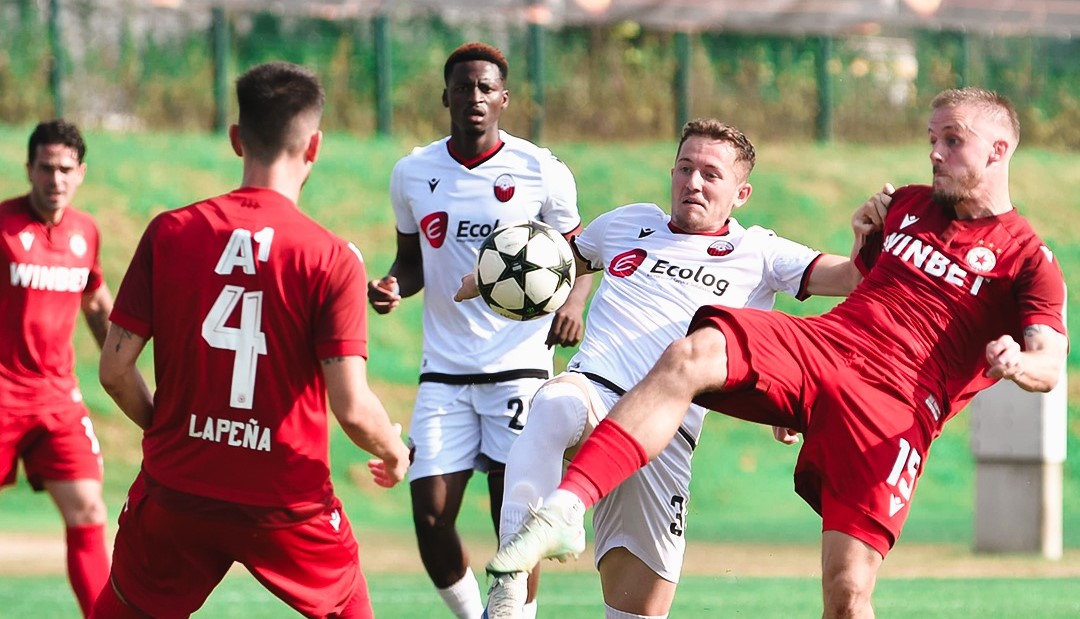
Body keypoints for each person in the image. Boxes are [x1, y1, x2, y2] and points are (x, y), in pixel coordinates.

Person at [488, 86, 1069, 618]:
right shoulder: (908, 205)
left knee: (848, 594)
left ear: (998, 150)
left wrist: (1018, 363)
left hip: (895, 408)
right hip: (829, 347)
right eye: (932, 139)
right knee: (690, 354)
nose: (935, 153)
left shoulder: (1028, 260)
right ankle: (565, 510)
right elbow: (865, 275)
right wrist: (862, 238)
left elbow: (1049, 363)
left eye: (952, 140)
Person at [465, 119, 885, 619]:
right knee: (553, 405)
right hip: (594, 391)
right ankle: (509, 593)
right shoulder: (627, 223)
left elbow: (853, 277)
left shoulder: (760, 252)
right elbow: (555, 260)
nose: (693, 183)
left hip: (664, 439)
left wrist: (872, 235)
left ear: (742, 193)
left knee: (636, 612)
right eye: (685, 168)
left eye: (711, 174)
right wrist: (489, 276)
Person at [89, 61, 411, 619]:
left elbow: (114, 371)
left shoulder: (170, 231)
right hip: (287, 504)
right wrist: (393, 450)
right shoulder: (331, 257)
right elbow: (354, 409)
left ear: (237, 138)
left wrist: (174, 429)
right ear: (314, 147)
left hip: (178, 489)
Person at [367, 41, 593, 618]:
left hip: (519, 367)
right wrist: (392, 286)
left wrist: (573, 304)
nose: (474, 96)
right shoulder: (413, 173)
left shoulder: (541, 170)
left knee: (511, 517)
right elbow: (411, 262)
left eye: (486, 87)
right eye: (463, 87)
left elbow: (582, 253)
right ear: (446, 97)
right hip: (443, 370)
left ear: (504, 98)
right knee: (430, 515)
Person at [0, 120, 112, 617]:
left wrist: (122, 364)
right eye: (46, 168)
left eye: (65, 169)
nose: (55, 179)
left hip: (57, 400)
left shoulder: (86, 232)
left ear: (81, 172)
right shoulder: (3, 225)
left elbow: (96, 303)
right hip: (2, 395)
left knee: (88, 509)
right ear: (29, 169)